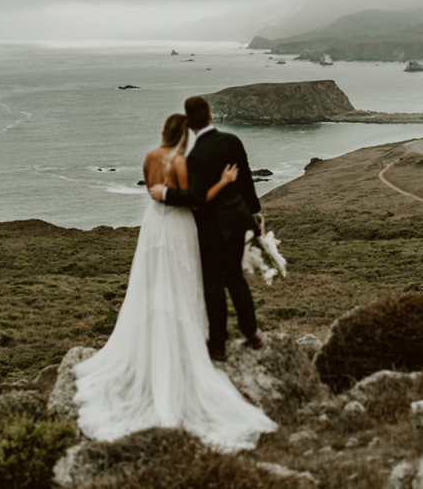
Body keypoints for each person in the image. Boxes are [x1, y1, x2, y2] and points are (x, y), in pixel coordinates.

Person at [72, 113, 276, 452]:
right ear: (184, 136)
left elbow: (154, 193)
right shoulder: (180, 161)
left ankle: (155, 335)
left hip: (153, 224)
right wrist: (224, 182)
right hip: (178, 225)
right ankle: (189, 341)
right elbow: (195, 199)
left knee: (154, 280)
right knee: (183, 280)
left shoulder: (150, 156)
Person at [149, 95, 264, 361]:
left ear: (189, 124)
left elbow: (196, 197)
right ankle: (252, 333)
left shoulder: (196, 156)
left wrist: (165, 194)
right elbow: (246, 180)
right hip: (237, 220)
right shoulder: (233, 141)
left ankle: (218, 346)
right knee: (236, 277)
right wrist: (255, 215)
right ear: (211, 116)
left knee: (213, 285)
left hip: (212, 228)